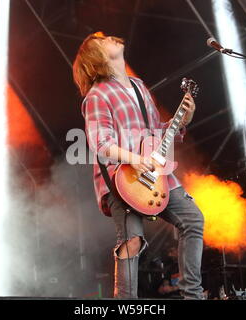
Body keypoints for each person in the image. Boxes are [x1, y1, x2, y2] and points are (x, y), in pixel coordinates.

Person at [73, 32, 205, 299]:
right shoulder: (97, 96)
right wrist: (135, 159)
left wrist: (182, 122)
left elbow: (156, 132)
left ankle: (192, 294)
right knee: (131, 243)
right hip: (121, 179)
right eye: (102, 39)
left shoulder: (139, 86)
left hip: (156, 175)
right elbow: (100, 143)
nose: (109, 36)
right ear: (97, 56)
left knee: (193, 219)